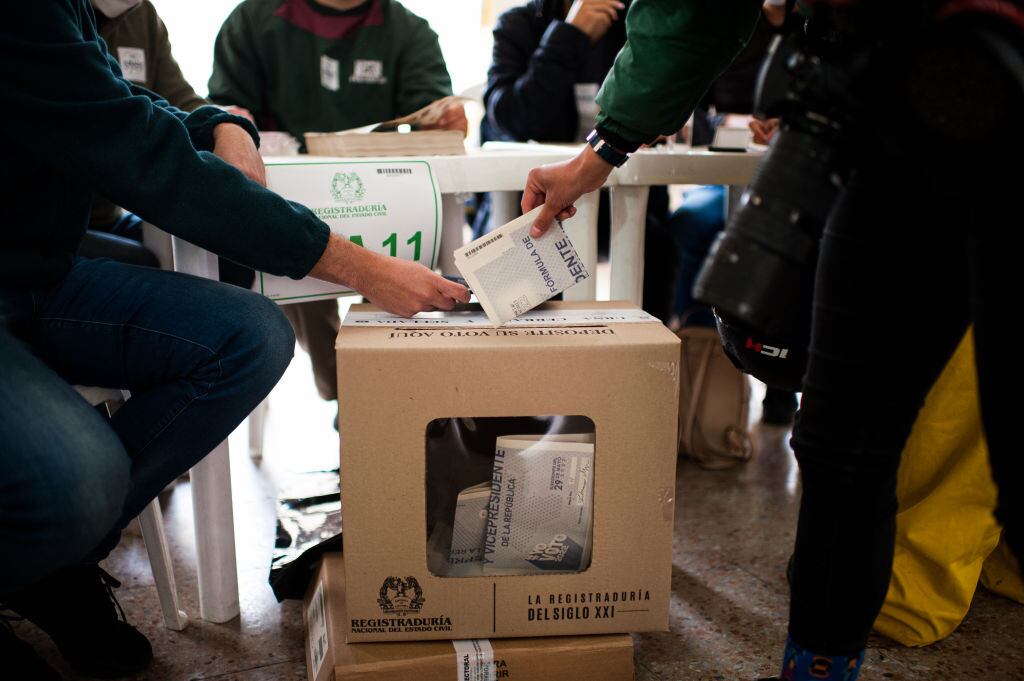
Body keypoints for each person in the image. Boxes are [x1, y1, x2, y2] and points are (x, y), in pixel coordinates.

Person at [519, 1, 1022, 680]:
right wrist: (605, 149)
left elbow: (691, 16)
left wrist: (606, 145)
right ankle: (817, 666)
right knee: (844, 445)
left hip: (912, 99)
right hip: (904, 97)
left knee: (850, 447)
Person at [0, 3, 468, 678]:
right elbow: (148, 158)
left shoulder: (77, 12)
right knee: (79, 480)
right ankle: (43, 547)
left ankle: (54, 561)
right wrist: (363, 267)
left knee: (250, 333)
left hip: (42, 268)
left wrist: (218, 120)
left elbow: (125, 102)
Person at [208, 0, 467, 414]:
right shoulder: (253, 20)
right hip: (285, 196)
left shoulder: (407, 29)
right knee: (296, 255)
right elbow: (223, 109)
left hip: (389, 195)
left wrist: (445, 121)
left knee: (418, 261)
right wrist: (229, 121)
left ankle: (408, 396)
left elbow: (432, 112)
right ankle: (357, 391)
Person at [482, 0, 676, 322]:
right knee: (530, 243)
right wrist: (570, 36)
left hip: (622, 196)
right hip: (531, 199)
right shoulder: (519, 23)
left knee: (656, 246)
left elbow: (663, 105)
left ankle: (645, 361)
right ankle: (534, 366)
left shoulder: (637, 21)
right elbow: (513, 118)